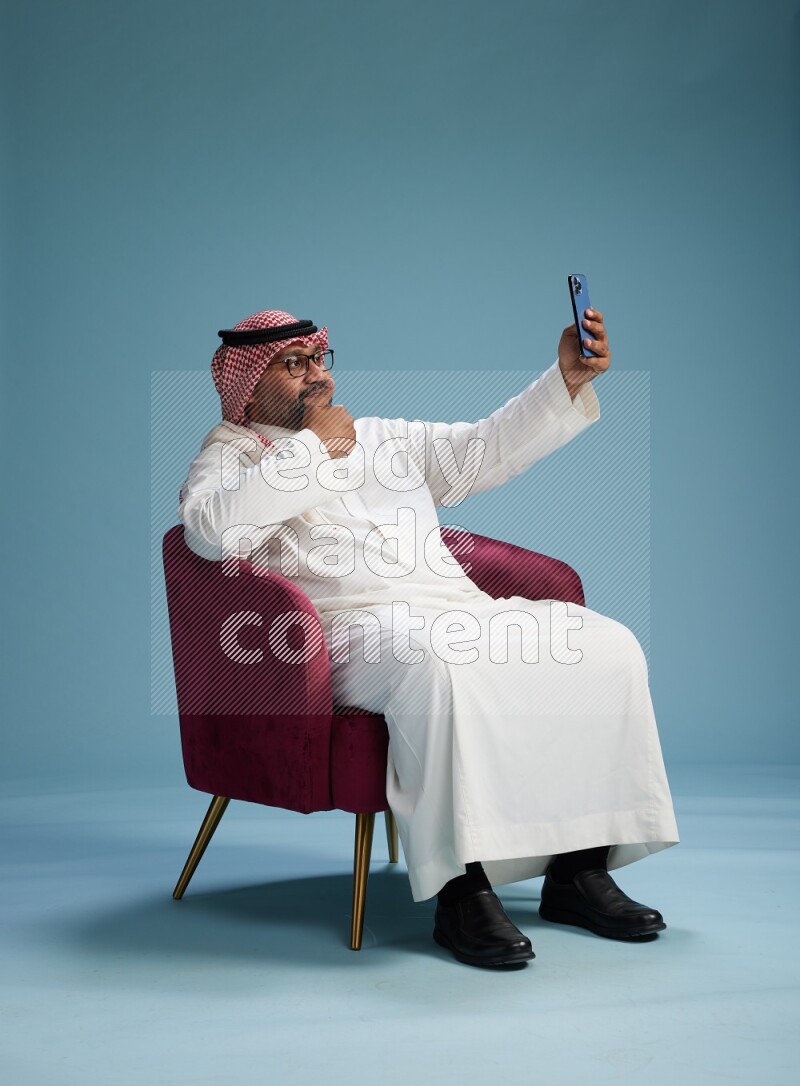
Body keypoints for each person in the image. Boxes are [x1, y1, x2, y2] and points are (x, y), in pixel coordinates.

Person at [177, 307, 680, 969]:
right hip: (345, 634)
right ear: (245, 383)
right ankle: (461, 890)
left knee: (604, 647)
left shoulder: (381, 436)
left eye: (319, 359)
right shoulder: (230, 456)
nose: (315, 375)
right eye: (293, 365)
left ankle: (579, 871)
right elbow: (210, 533)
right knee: (437, 663)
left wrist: (564, 379)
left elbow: (481, 450)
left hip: (453, 606)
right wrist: (313, 450)